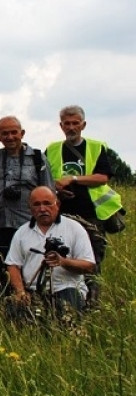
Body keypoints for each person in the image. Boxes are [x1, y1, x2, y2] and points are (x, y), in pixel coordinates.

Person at [45, 105, 123, 304]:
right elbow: (45, 179)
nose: (71, 127)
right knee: (61, 260)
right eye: (67, 124)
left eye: (75, 123)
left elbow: (102, 178)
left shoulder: (96, 147)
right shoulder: (52, 149)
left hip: (92, 216)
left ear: (83, 125)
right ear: (61, 126)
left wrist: (72, 179)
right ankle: (66, 303)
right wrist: (57, 188)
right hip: (61, 215)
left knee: (91, 262)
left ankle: (91, 305)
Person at [0, 116, 54, 297]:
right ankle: (5, 311)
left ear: (22, 133)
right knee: (1, 272)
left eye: (14, 132)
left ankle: (33, 306)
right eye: (5, 133)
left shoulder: (37, 158)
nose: (10, 137)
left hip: (29, 225)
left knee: (31, 270)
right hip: (0, 225)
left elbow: (49, 191)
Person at [6, 187, 96, 322]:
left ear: (57, 204)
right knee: (13, 312)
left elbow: (89, 265)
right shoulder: (21, 232)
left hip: (67, 287)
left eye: (47, 203)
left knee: (66, 318)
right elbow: (13, 265)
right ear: (30, 208)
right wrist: (20, 292)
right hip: (33, 290)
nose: (42, 209)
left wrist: (63, 262)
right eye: (37, 204)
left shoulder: (74, 228)